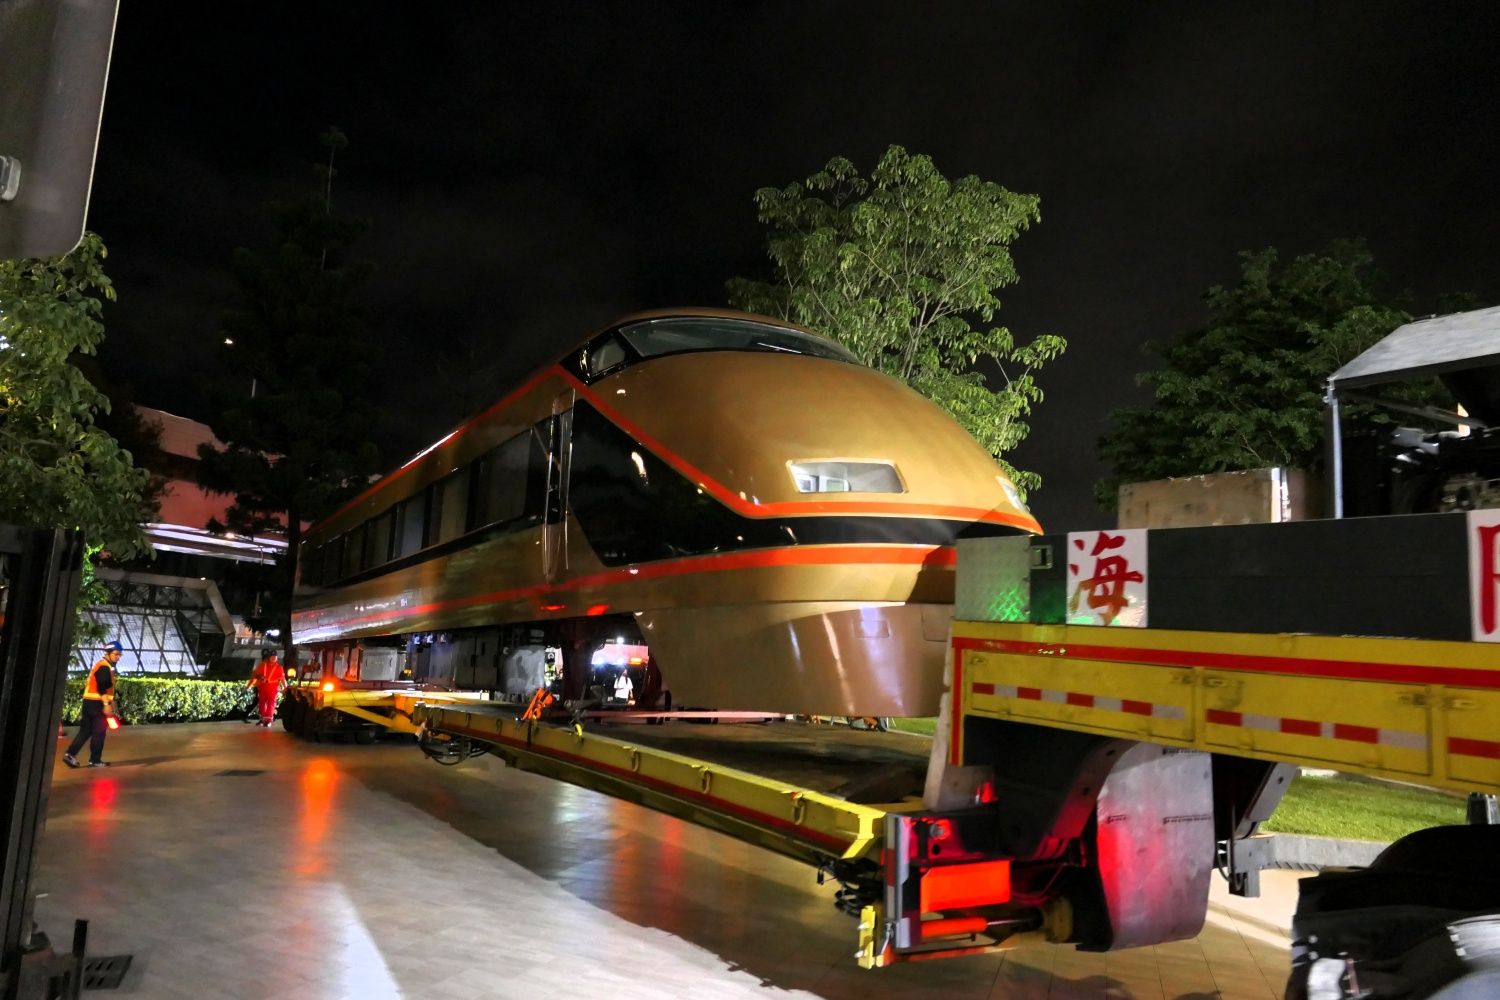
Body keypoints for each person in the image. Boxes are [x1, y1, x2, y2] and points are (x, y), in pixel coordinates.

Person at [64, 640, 123, 768]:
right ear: (108, 653)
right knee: (99, 732)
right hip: (97, 704)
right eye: (116, 654)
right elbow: (102, 687)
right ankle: (95, 760)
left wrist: (111, 701)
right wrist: (106, 704)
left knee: (85, 731)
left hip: (89, 703)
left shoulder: (101, 665)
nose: (118, 657)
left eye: (120, 655)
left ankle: (70, 754)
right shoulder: (104, 667)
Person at [247, 649, 285, 727]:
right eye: (272, 657)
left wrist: (285, 687)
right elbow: (255, 675)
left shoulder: (279, 667)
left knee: (271, 704)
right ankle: (262, 719)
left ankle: (268, 721)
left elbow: (282, 679)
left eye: (275, 657)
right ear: (269, 657)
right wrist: (260, 677)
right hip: (263, 687)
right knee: (262, 703)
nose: (274, 658)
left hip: (273, 688)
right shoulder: (262, 665)